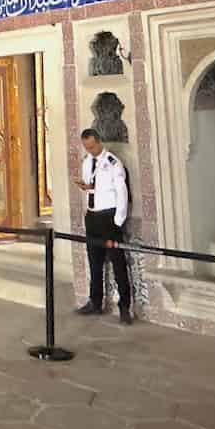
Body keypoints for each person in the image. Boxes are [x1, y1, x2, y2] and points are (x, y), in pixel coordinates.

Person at [75, 129, 133, 325]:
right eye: (86, 147)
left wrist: (118, 221)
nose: (89, 150)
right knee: (94, 262)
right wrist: (86, 191)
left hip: (109, 218)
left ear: (99, 142)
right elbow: (94, 187)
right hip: (92, 217)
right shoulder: (86, 162)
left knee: (118, 264)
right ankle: (95, 302)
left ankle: (125, 307)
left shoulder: (113, 163)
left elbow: (122, 193)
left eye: (91, 146)